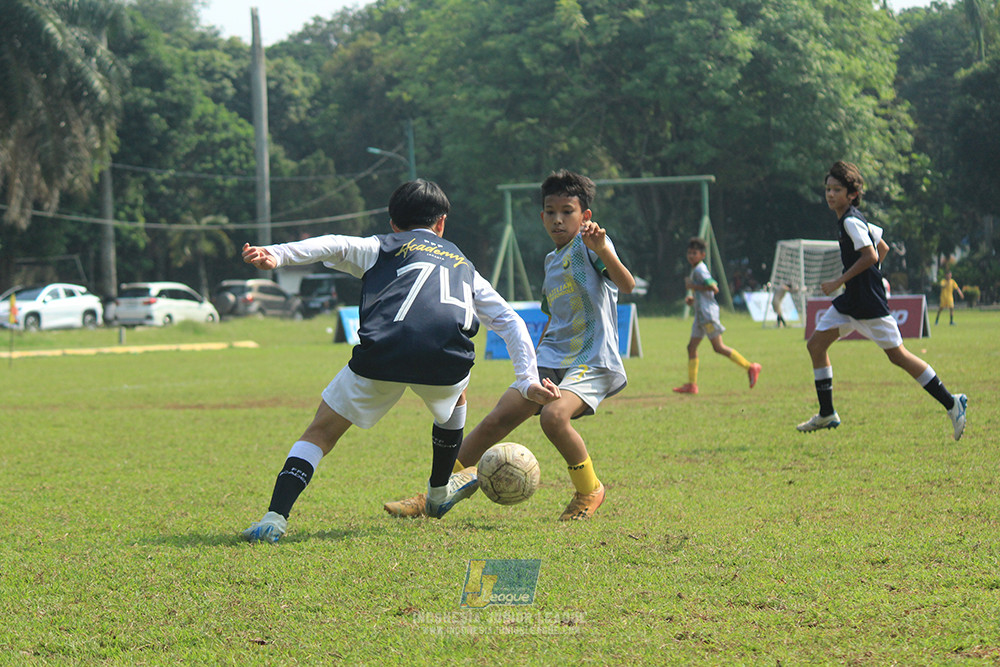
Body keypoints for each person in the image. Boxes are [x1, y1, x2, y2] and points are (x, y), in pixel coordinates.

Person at [239, 180, 560, 543]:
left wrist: (277, 254)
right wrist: (527, 379)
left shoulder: (381, 245)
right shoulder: (464, 265)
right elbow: (510, 321)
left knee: (320, 433)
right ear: (441, 224)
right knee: (457, 397)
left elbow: (332, 243)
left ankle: (275, 518)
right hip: (445, 360)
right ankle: (438, 492)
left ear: (393, 223)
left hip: (383, 354)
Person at [384, 170, 635, 521]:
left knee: (554, 416)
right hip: (551, 357)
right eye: (551, 211)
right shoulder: (551, 261)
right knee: (498, 418)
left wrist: (604, 249)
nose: (558, 219)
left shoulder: (592, 248)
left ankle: (589, 489)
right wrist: (534, 363)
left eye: (568, 211)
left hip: (591, 360)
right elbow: (553, 317)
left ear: (586, 216)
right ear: (542, 215)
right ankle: (434, 494)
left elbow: (627, 285)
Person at [797, 161, 967, 440]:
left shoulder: (851, 221)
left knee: (898, 356)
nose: (830, 194)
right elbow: (883, 246)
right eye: (827, 188)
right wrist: (866, 279)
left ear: (851, 194)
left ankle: (952, 402)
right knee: (816, 345)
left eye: (836, 189)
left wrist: (842, 281)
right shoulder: (851, 218)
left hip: (867, 304)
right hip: (852, 301)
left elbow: (872, 255)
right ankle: (827, 413)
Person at [673, 237, 762, 395]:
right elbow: (705, 293)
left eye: (694, 253)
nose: (691, 256)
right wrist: (693, 300)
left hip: (707, 316)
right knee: (691, 347)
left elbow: (714, 288)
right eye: (689, 253)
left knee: (718, 347)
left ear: (702, 255)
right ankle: (692, 385)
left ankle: (751, 367)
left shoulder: (700, 269)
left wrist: (693, 286)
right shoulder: (696, 269)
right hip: (701, 316)